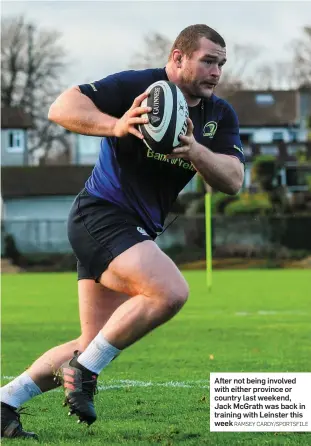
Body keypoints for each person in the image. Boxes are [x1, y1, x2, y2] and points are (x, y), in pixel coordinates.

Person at [1, 24, 245, 439]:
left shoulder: (218, 115)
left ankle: (5, 401)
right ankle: (85, 372)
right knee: (170, 291)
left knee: (90, 340)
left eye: (221, 64)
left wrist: (196, 150)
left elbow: (234, 180)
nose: (216, 72)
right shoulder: (140, 87)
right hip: (101, 214)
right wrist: (114, 126)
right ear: (178, 57)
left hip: (133, 231)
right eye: (208, 60)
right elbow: (61, 107)